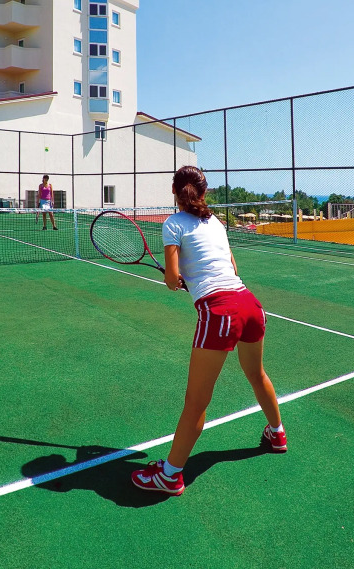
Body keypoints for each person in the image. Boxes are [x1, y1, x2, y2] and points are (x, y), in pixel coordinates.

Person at [130, 166, 285, 496]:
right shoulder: (216, 223)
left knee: (196, 402)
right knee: (256, 374)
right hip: (250, 304)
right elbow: (232, 268)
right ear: (203, 192)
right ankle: (277, 433)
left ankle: (170, 475)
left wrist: (176, 279)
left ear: (175, 192)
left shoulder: (173, 224)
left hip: (220, 313)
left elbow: (171, 279)